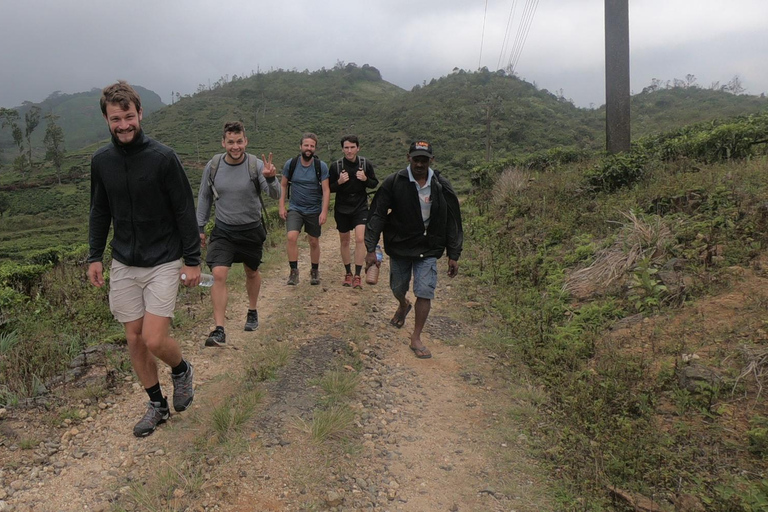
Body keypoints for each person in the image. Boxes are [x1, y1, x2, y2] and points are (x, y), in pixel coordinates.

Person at [87, 81, 200, 437]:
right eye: (116, 118)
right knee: (134, 340)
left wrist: (192, 260)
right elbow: (99, 210)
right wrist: (94, 256)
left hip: (164, 259)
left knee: (153, 338)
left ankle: (181, 370)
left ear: (140, 114)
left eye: (129, 116)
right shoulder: (101, 162)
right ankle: (157, 404)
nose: (124, 125)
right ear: (107, 119)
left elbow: (184, 210)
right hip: (123, 260)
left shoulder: (163, 158)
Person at [364, 140, 463, 359]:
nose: (419, 164)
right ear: (408, 158)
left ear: (431, 160)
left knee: (425, 290)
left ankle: (416, 337)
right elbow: (377, 214)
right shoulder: (394, 182)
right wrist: (371, 248)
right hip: (400, 246)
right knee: (397, 287)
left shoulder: (440, 184)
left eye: (424, 160)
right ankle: (403, 303)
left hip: (428, 248)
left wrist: (453, 254)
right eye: (416, 159)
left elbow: (453, 220)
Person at [196, 121, 281, 347]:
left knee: (251, 273)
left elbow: (275, 195)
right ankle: (219, 329)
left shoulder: (256, 165)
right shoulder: (213, 166)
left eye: (239, 141)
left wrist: (271, 178)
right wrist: (200, 228)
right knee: (219, 274)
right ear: (223, 142)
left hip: (251, 229)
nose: (235, 146)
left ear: (246, 141)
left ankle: (252, 310)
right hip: (224, 230)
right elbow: (204, 196)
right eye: (231, 142)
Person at [278, 132, 330, 285]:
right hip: (295, 208)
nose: (309, 148)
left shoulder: (321, 166)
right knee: (291, 237)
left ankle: (314, 271)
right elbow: (283, 184)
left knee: (313, 241)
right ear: (300, 146)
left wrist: (324, 211)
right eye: (306, 145)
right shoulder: (291, 164)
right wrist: (281, 205)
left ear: (315, 149)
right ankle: (294, 271)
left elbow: (326, 190)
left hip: (314, 209)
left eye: (312, 146)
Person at [328, 135, 378, 289]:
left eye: (352, 147)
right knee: (344, 240)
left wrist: (365, 179)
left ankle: (357, 275)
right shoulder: (336, 166)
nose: (349, 151)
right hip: (342, 207)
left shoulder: (365, 164)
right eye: (346, 148)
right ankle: (348, 273)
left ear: (358, 148)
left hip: (360, 206)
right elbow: (328, 188)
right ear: (342, 149)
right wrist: (339, 182)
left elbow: (374, 183)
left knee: (360, 239)